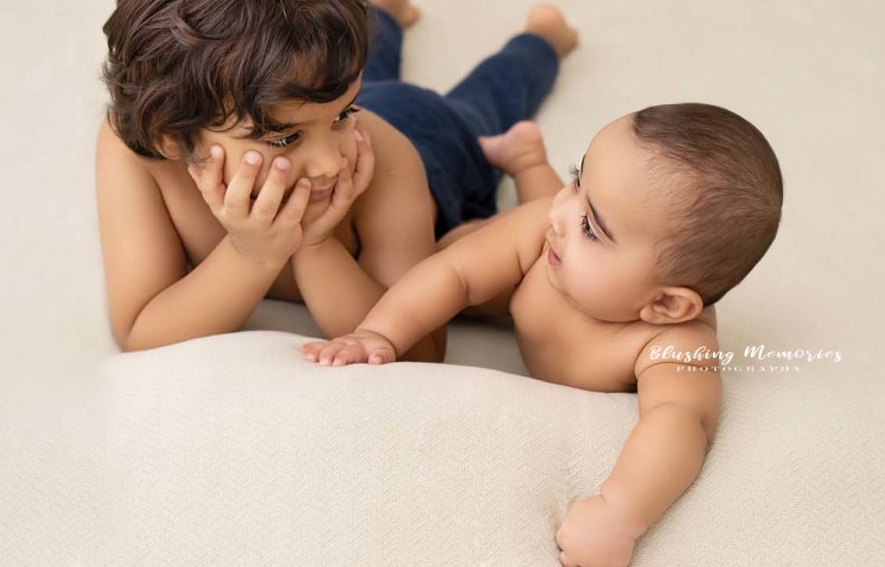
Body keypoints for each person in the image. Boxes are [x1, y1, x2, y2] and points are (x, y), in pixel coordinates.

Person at [300, 103, 784, 566]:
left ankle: (528, 156)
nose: (562, 212)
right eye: (578, 178)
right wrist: (378, 333)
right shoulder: (543, 232)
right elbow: (455, 274)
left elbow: (680, 423)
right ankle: (527, 157)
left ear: (664, 305)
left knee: (542, 208)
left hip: (534, 268)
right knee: (495, 228)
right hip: (486, 246)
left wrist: (619, 515)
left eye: (593, 229)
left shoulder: (673, 344)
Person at [95, 0, 578, 355]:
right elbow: (141, 330)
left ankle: (542, 40)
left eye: (344, 112)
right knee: (350, 85)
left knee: (483, 102)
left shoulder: (385, 159)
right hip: (331, 96)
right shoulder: (135, 152)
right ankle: (386, 5)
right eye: (283, 137)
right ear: (169, 135)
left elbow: (421, 352)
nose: (329, 164)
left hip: (435, 141)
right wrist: (253, 253)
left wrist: (315, 244)